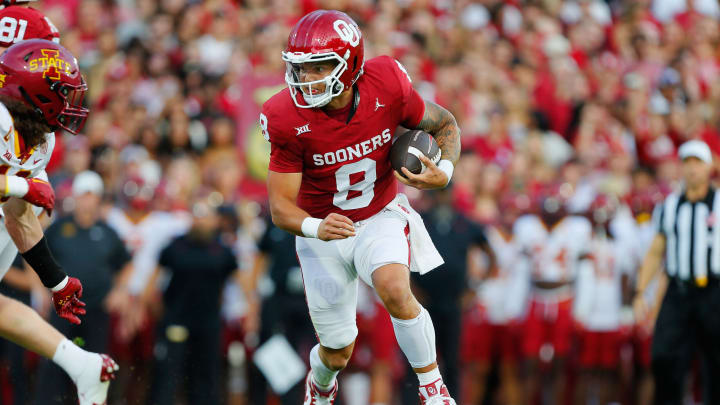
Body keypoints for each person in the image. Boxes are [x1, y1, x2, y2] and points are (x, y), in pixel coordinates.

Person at [262, 9, 461, 405]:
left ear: (349, 64)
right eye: (300, 69)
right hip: (321, 231)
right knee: (338, 350)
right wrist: (317, 228)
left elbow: (445, 125)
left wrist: (446, 171)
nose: (306, 79)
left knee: (393, 287)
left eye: (318, 67)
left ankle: (433, 388)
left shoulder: (386, 83)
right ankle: (320, 383)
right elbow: (281, 209)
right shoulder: (285, 116)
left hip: (380, 213)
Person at [0, 39, 117, 405]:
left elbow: (18, 215)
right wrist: (20, 185)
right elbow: (20, 193)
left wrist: (57, 281)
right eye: (63, 93)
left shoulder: (40, 141)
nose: (71, 103)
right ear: (35, 92)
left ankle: (82, 364)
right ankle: (82, 364)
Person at [34, 171, 132, 405]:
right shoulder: (58, 229)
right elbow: (35, 256)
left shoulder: (109, 232)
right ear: (75, 197)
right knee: (55, 362)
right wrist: (39, 291)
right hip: (63, 308)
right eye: (83, 195)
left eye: (92, 196)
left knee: (97, 362)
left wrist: (119, 292)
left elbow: (126, 265)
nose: (87, 201)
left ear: (98, 199)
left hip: (96, 308)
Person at [634, 140, 720, 404]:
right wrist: (640, 293)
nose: (692, 169)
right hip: (679, 291)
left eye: (697, 162)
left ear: (709, 167)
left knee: (716, 364)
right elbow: (656, 251)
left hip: (714, 293)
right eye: (687, 162)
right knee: (663, 358)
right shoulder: (669, 206)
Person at [145, 193, 240, 405]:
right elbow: (155, 279)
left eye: (206, 216)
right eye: (197, 215)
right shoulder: (175, 246)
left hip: (208, 323)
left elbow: (234, 283)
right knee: (167, 374)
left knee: (206, 376)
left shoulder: (223, 251)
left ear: (215, 220)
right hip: (176, 319)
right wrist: (155, 307)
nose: (201, 220)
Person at [408, 186, 497, 401]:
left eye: (445, 192)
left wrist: (474, 289)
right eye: (438, 193)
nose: (442, 197)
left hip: (454, 303)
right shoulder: (421, 221)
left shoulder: (464, 223)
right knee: (419, 360)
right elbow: (402, 254)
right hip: (424, 303)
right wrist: (412, 289)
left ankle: (452, 399)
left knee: (452, 360)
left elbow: (491, 255)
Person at [513, 186, 591, 405]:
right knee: (529, 363)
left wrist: (582, 309)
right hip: (536, 298)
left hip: (563, 299)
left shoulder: (577, 228)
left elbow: (584, 272)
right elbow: (521, 272)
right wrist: (515, 308)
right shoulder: (528, 227)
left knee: (560, 363)